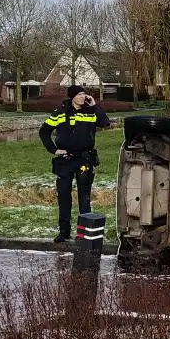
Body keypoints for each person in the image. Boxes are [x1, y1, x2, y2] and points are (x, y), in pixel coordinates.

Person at [39, 86, 111, 243]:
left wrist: (95, 106)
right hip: (65, 161)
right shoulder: (60, 113)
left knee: (84, 197)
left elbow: (105, 122)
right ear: (72, 97)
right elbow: (44, 131)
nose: (83, 96)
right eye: (79, 94)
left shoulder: (90, 112)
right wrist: (54, 149)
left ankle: (84, 234)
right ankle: (63, 232)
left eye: (84, 94)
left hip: (85, 160)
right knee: (64, 196)